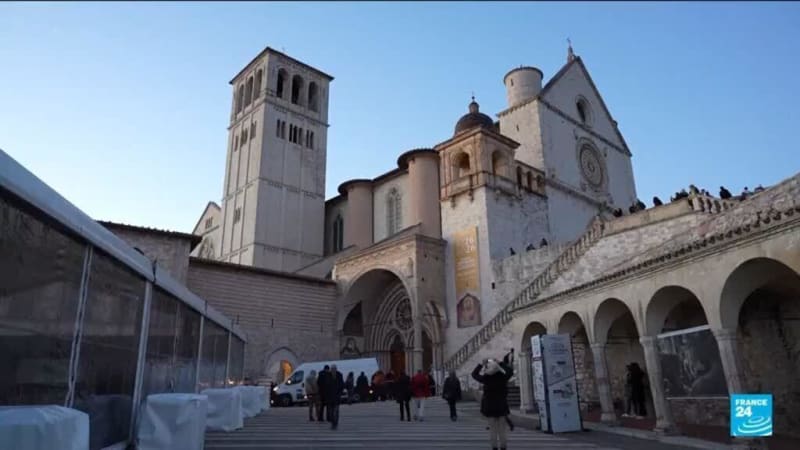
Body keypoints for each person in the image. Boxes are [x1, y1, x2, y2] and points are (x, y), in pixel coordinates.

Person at [472, 352, 514, 450]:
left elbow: (474, 374)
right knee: (502, 430)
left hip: (490, 407)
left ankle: (494, 447)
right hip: (502, 407)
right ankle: (503, 447)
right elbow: (510, 371)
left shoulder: (486, 379)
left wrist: (481, 364)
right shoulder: (503, 378)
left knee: (493, 430)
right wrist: (500, 363)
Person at [323, 364, 344, 430]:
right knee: (331, 412)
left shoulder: (339, 375)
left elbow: (341, 385)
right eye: (332, 369)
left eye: (334, 369)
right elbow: (325, 386)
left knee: (336, 411)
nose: (333, 370)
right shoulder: (328, 376)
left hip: (337, 396)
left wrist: (340, 392)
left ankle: (335, 423)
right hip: (330, 397)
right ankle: (333, 422)